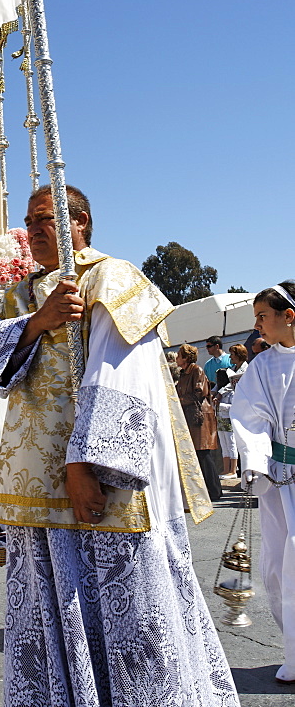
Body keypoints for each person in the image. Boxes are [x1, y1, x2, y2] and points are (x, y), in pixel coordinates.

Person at [0, 184, 240, 707]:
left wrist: (85, 463)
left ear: (82, 222)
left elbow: (121, 374)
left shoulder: (110, 278)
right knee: (45, 607)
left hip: (99, 477)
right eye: (29, 221)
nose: (34, 231)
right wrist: (37, 323)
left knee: (127, 604)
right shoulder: (23, 294)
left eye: (46, 219)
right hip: (34, 479)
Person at [231, 281, 295, 685]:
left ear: (288, 316)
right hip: (284, 482)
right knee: (278, 567)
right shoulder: (263, 366)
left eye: (262, 316)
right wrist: (255, 460)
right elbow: (249, 415)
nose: (257, 326)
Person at [176, 344, 223, 500]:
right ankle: (206, 490)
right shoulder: (183, 374)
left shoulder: (197, 370)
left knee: (203, 453)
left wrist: (178, 400)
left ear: (186, 358)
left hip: (199, 416)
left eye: (179, 355)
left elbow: (199, 392)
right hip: (190, 416)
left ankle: (215, 491)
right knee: (197, 454)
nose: (176, 358)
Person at [215, 345, 247, 479]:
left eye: (233, 354)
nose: (230, 357)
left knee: (231, 438)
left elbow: (231, 385)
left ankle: (233, 469)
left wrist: (220, 392)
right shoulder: (231, 369)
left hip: (237, 407)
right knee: (224, 438)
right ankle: (226, 467)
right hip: (225, 408)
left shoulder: (246, 369)